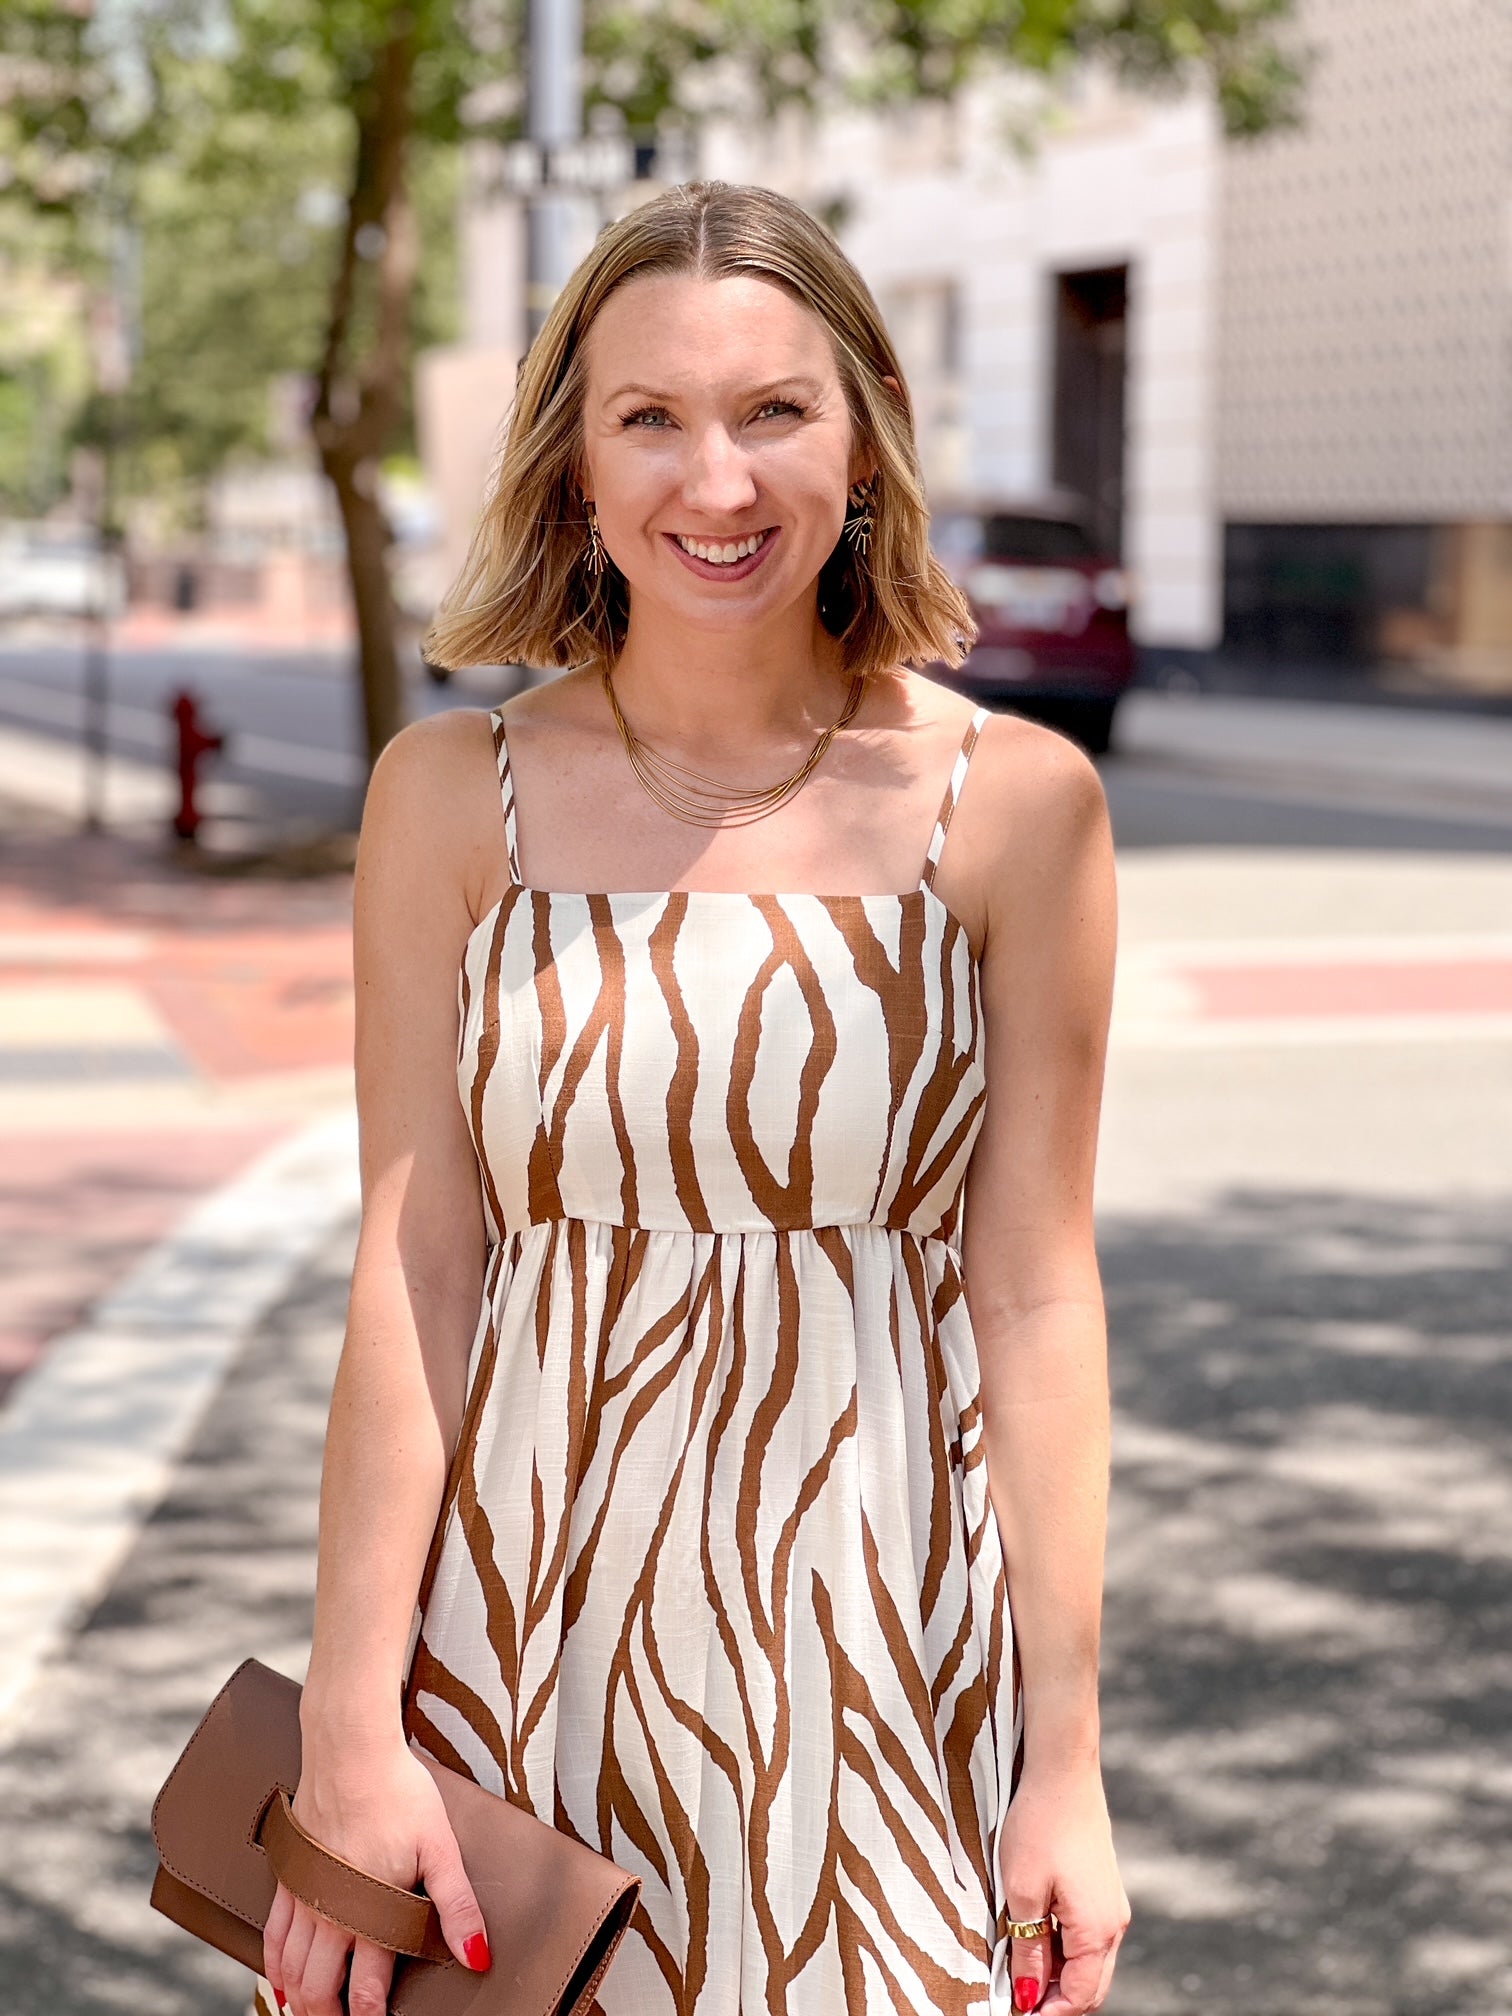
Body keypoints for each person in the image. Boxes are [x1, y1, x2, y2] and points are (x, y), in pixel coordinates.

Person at [254, 178, 1128, 2016]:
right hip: (514, 1676)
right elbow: (417, 1265)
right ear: (573, 462)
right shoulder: (448, 796)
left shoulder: (1018, 807)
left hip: (884, 1680)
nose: (715, 485)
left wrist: (1068, 1760)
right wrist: (347, 1728)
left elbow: (1036, 1293)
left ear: (866, 435)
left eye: (772, 412)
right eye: (649, 416)